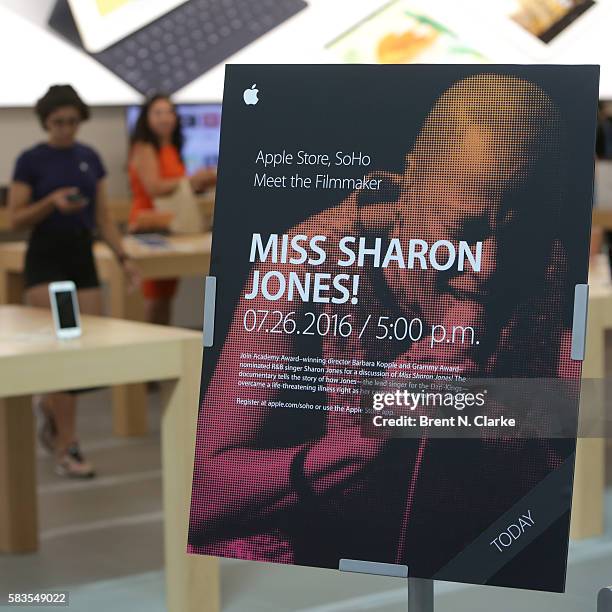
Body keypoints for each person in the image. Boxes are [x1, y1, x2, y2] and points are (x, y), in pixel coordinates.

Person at [188, 74, 578, 587]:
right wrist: (367, 439)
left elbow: (556, 435)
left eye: (513, 232)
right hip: (303, 575)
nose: (488, 266)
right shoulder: (304, 263)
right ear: (412, 182)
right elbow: (202, 497)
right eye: (468, 230)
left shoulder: (537, 265)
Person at [7, 85, 139, 478]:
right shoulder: (31, 160)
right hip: (47, 258)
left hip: (81, 257)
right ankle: (69, 444)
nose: (66, 128)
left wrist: (124, 256)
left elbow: (102, 218)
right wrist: (52, 202)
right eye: (58, 122)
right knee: (61, 350)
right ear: (46, 121)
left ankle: (50, 406)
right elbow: (15, 217)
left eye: (72, 121)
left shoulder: (88, 158)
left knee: (84, 349)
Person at [128, 94, 216, 326]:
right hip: (149, 226)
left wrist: (198, 184)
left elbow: (176, 188)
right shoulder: (145, 148)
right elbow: (154, 186)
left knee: (165, 296)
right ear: (146, 118)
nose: (164, 118)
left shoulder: (171, 148)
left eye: (168, 112)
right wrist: (190, 180)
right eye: (158, 112)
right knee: (154, 297)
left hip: (170, 225)